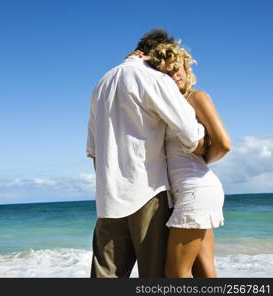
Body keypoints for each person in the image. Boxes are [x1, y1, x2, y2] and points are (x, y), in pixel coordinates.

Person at [86, 29, 207, 278]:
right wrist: (205, 154)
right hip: (147, 193)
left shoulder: (102, 83)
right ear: (158, 54)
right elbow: (190, 133)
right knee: (154, 279)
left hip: (108, 198)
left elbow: (94, 151)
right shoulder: (153, 78)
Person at [136, 42, 231, 277]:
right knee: (203, 267)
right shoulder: (169, 105)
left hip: (195, 189)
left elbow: (224, 144)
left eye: (176, 67)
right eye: (166, 71)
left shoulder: (196, 97)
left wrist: (201, 159)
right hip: (191, 190)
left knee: (176, 272)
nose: (173, 74)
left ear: (186, 68)